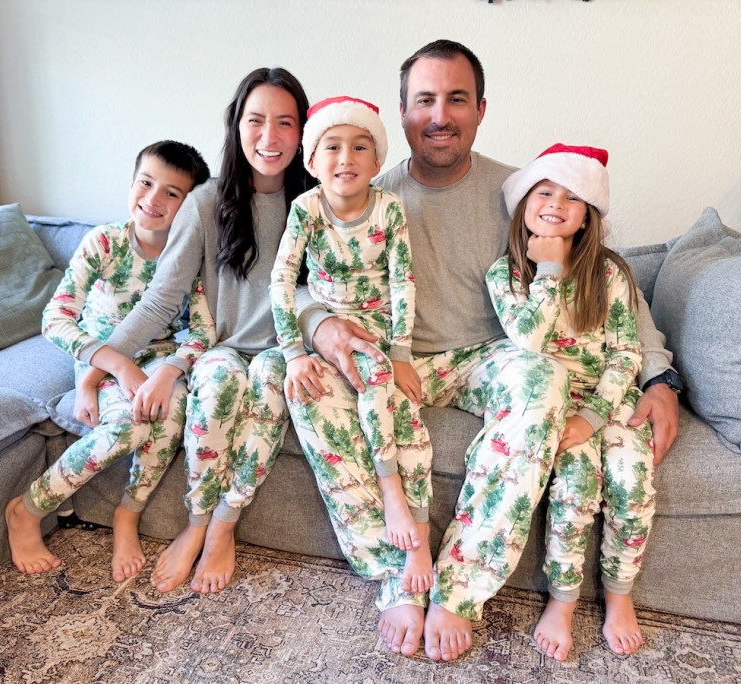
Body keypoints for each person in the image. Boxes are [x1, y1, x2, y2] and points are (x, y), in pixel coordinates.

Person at [292, 40, 680, 662]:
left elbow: (603, 278)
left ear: (480, 109)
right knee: (306, 389)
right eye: (425, 100)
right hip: (394, 360)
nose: (440, 115)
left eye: (456, 99)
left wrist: (661, 379)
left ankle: (458, 589)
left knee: (541, 376)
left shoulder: (520, 190)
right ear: (401, 111)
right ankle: (398, 574)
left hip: (487, 357)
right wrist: (316, 325)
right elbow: (300, 278)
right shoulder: (364, 193)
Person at [75, 67, 314, 595]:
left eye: (285, 123)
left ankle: (222, 527)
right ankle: (197, 522)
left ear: (302, 132)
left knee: (274, 391)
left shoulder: (315, 202)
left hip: (286, 349)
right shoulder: (206, 202)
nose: (269, 137)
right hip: (220, 346)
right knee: (219, 383)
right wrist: (100, 365)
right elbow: (162, 298)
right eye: (255, 120)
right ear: (236, 126)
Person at [5, 140, 210, 582]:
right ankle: (26, 509)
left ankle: (127, 515)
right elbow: (55, 320)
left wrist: (170, 369)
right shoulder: (103, 242)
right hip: (100, 357)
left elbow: (203, 332)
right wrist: (106, 371)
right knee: (129, 427)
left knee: (170, 416)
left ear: (189, 205)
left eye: (172, 193)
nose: (153, 199)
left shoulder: (192, 257)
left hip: (159, 360)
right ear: (132, 182)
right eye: (146, 183)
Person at [487, 144, 655, 659]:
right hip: (552, 401)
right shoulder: (507, 275)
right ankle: (562, 599)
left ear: (587, 217)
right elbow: (530, 343)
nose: (556, 203)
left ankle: (618, 595)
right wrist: (550, 272)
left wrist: (594, 416)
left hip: (607, 402)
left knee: (632, 479)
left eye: (572, 196)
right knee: (576, 481)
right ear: (524, 203)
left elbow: (627, 354)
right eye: (545, 191)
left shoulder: (611, 275)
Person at [271, 96, 433, 594]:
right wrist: (294, 351)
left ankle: (415, 526)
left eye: (360, 147)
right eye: (333, 147)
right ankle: (387, 511)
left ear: (377, 162)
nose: (346, 158)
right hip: (328, 331)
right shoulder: (306, 209)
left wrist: (402, 353)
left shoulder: (389, 207)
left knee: (400, 403)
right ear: (312, 161)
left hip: (378, 329)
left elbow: (403, 280)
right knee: (337, 396)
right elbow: (281, 280)